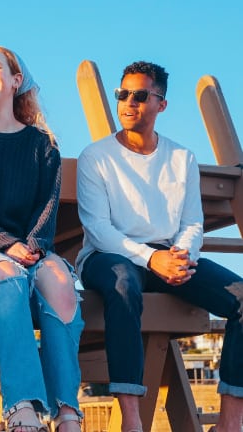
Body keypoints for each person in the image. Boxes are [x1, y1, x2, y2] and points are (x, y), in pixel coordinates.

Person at [76, 60, 243, 432]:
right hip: (109, 257)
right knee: (123, 283)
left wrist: (181, 256)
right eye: (122, 94)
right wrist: (153, 259)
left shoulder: (181, 158)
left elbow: (192, 223)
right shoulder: (96, 157)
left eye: (139, 95)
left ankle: (231, 421)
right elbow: (99, 229)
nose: (128, 103)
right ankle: (132, 420)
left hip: (169, 256)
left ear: (161, 104)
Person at [0, 46, 84, 432]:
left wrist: (34, 245)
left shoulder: (44, 145)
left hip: (32, 249)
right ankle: (23, 412)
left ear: (16, 80)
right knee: (8, 279)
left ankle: (67, 412)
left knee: (60, 283)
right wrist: (6, 244)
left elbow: (48, 208)